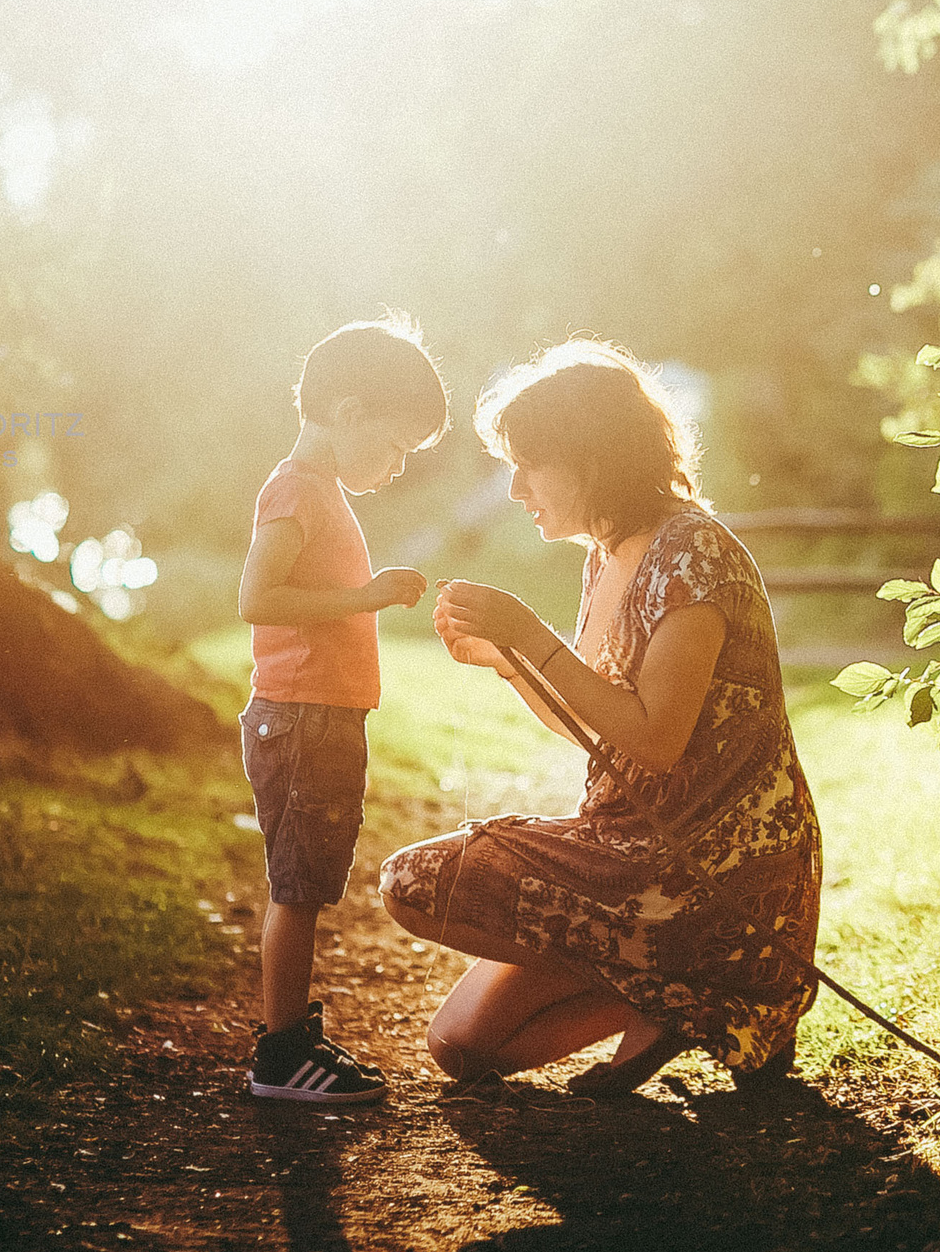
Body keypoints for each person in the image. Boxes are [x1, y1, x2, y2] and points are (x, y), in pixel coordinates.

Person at [378, 337, 821, 1095]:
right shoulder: (607, 554)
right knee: (460, 1045)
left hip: (712, 871)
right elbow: (600, 731)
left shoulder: (695, 555)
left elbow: (654, 740)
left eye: (530, 463)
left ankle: (718, 971)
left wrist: (532, 636)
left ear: (594, 457)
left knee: (413, 880)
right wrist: (510, 662)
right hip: (624, 850)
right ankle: (679, 996)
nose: (516, 488)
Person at [234, 316, 449, 1103]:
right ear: (350, 412)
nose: (397, 466)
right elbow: (257, 597)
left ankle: (292, 1036)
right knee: (297, 887)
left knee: (307, 881)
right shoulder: (296, 489)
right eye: (395, 447)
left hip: (319, 717)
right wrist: (366, 597)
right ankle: (282, 1053)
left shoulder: (315, 491)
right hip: (302, 718)